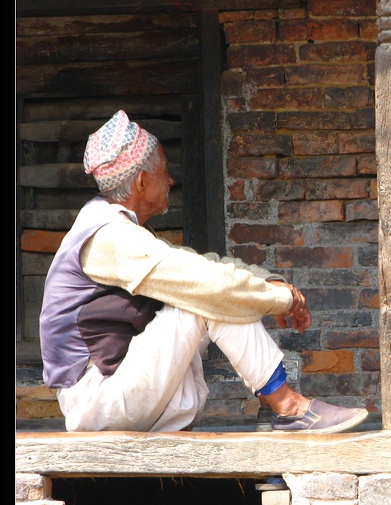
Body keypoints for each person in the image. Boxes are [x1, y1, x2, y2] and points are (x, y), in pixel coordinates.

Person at [39, 110, 369, 433]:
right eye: (165, 171)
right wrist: (275, 299)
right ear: (141, 181)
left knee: (212, 289)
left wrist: (268, 282)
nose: (170, 179)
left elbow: (198, 262)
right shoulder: (107, 237)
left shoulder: (119, 228)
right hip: (98, 400)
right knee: (206, 296)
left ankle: (280, 408)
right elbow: (205, 284)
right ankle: (289, 407)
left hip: (119, 395)